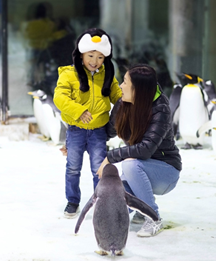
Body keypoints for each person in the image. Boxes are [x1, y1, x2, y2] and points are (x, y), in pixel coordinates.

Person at [97, 64, 182, 237]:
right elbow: (108, 131)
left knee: (130, 165)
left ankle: (153, 217)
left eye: (126, 83)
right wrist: (81, 140)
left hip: (166, 172)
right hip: (139, 168)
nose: (121, 86)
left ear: (138, 90)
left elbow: (145, 150)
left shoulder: (161, 109)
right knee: (116, 195)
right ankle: (139, 210)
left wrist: (110, 157)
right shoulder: (124, 102)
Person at [53, 28, 122, 218]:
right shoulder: (69, 74)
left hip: (98, 130)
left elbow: (117, 95)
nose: (95, 61)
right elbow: (59, 98)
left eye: (100, 57)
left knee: (98, 168)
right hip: (76, 129)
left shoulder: (107, 75)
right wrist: (79, 111)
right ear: (81, 54)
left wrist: (129, 102)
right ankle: (73, 201)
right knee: (73, 167)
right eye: (91, 55)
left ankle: (100, 201)